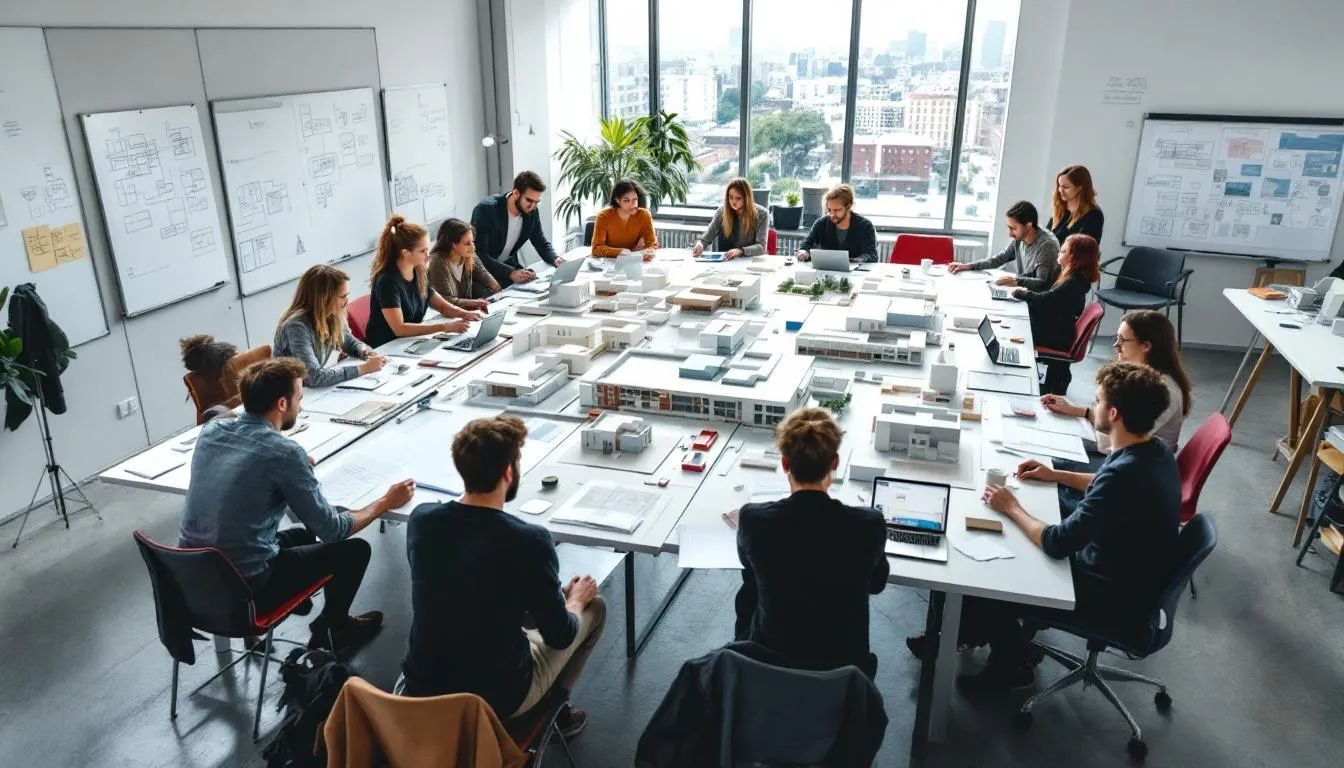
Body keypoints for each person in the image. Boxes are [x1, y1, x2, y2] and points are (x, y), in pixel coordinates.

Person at [907, 362, 1181, 693]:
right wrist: (1057, 475)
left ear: (1113, 413)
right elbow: (1103, 481)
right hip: (1131, 577)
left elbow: (1057, 542)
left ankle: (1010, 665)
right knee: (1008, 545)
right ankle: (959, 633)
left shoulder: (1124, 475)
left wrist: (1011, 507)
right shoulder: (1152, 451)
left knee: (994, 574)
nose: (1092, 406)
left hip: (1110, 596)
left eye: (1098, 401)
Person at [179, 358, 415, 652]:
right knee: (354, 550)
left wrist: (292, 464)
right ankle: (333, 629)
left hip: (191, 579)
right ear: (281, 404)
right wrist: (385, 502)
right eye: (299, 399)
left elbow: (238, 437)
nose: (300, 407)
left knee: (302, 536)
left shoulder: (211, 433)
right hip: (245, 592)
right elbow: (332, 530)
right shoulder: (284, 452)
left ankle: (305, 602)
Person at [402, 415, 604, 736]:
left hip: (420, 689)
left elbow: (464, 585)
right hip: (496, 699)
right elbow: (561, 636)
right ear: (509, 471)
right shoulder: (529, 540)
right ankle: (554, 717)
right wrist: (576, 601)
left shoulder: (422, 520)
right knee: (595, 609)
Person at [733, 407, 888, 678]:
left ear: (784, 464)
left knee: (751, 590)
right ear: (835, 464)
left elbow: (751, 572)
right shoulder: (869, 524)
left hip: (768, 666)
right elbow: (877, 584)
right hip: (842, 675)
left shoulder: (753, 520)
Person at [1043, 309, 1192, 453]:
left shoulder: (1163, 390)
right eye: (1117, 338)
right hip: (1120, 451)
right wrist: (1074, 411)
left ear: (1146, 346)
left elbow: (1124, 441)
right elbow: (1118, 419)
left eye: (1122, 340)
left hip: (1133, 466)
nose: (1116, 346)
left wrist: (1066, 433)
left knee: (1049, 443)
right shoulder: (1138, 374)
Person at [363, 215, 481, 350]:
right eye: (423, 251)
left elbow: (442, 306)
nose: (428, 254)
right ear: (405, 253)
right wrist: (444, 327)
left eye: (427, 249)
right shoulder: (387, 282)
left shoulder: (419, 271)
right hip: (385, 349)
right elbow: (399, 329)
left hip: (409, 343)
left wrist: (466, 314)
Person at [1008, 233, 1100, 395]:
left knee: (1014, 327)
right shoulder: (1071, 276)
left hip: (1056, 336)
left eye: (1063, 251)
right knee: (1016, 321)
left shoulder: (1073, 282)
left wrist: (1020, 292)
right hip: (1058, 327)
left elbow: (1045, 300)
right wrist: (1026, 290)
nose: (1058, 253)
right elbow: (1050, 298)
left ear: (1075, 258)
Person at [273, 264, 388, 388]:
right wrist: (364, 368)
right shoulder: (296, 327)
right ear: (324, 299)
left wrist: (365, 352)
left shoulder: (330, 315)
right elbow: (314, 377)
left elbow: (350, 343)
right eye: (343, 296)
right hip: (290, 394)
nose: (347, 300)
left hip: (308, 391)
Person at [470, 171, 562, 286]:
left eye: (537, 202)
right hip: (484, 275)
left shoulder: (531, 212)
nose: (533, 206)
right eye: (529, 200)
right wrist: (510, 272)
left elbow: (540, 241)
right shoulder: (486, 210)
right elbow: (478, 254)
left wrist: (555, 259)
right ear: (516, 193)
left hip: (509, 268)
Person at [948, 201, 1060, 288]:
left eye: (1013, 228)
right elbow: (1000, 259)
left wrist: (1016, 281)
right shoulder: (1020, 238)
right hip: (1023, 292)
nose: (1010, 234)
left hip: (1038, 302)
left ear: (1028, 226)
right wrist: (969, 266)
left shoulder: (1047, 245)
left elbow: (1042, 283)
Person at [428, 218, 500, 310]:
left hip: (464, 313)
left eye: (472, 242)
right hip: (443, 316)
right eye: (467, 244)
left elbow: (486, 276)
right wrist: (475, 303)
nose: (472, 247)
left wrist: (501, 296)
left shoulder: (467, 255)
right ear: (453, 244)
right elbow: (445, 300)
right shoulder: (437, 262)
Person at [795, 184, 878, 264]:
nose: (832, 214)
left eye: (837, 210)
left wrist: (850, 261)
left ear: (849, 206)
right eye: (830, 209)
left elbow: (872, 256)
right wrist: (803, 252)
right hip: (827, 274)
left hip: (856, 274)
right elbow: (806, 244)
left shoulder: (865, 226)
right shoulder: (821, 224)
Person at [691, 177, 769, 261]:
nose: (733, 202)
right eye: (730, 197)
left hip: (747, 262)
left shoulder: (762, 214)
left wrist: (740, 251)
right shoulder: (722, 211)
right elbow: (705, 239)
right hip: (723, 262)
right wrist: (700, 244)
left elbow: (761, 247)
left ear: (747, 198)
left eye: (738, 198)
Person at [591, 179, 659, 260]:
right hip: (609, 262)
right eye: (627, 200)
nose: (633, 204)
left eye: (635, 199)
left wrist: (649, 252)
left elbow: (652, 245)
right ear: (617, 200)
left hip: (635, 261)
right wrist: (619, 252)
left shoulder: (644, 215)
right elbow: (596, 249)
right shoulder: (604, 216)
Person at [1048, 165, 1105, 245]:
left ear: (1079, 188)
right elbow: (1046, 238)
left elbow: (1083, 250)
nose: (1060, 190)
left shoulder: (1094, 215)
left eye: (1066, 187)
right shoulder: (1060, 209)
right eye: (1059, 185)